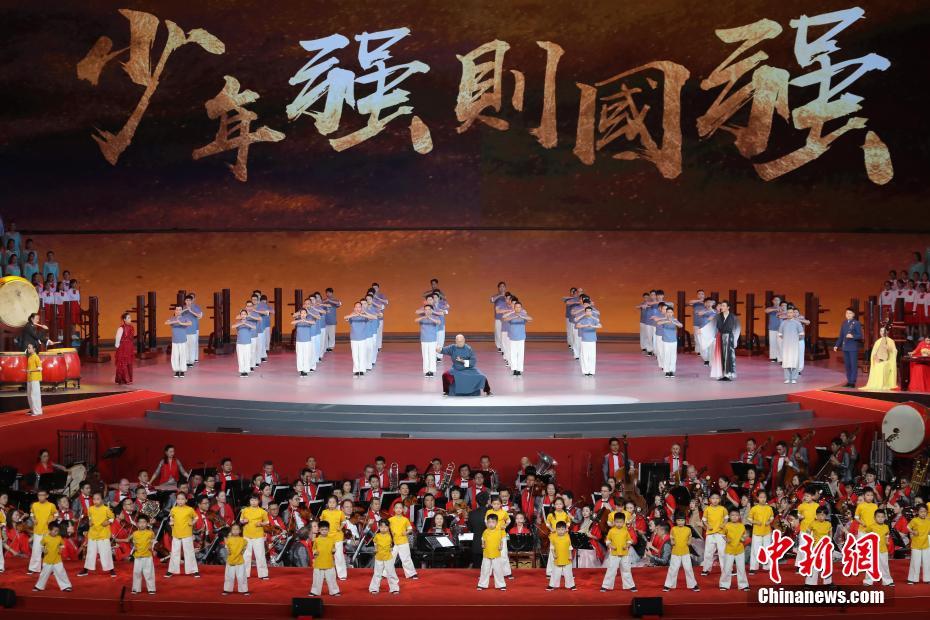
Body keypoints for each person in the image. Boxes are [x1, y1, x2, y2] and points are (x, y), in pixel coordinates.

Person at [77, 492, 116, 577]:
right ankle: (86, 569)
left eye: (98, 499)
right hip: (93, 534)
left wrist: (108, 522)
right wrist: (90, 521)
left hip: (103, 534)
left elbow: (112, 518)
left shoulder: (106, 509)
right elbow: (90, 517)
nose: (95, 501)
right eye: (94, 499)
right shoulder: (90, 509)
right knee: (90, 553)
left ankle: (111, 569)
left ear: (102, 500)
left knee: (106, 552)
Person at [166, 492, 199, 578]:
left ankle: (194, 570)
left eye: (182, 499)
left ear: (186, 500)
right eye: (178, 499)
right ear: (176, 500)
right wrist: (171, 522)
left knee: (189, 552)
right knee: (174, 552)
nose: (180, 501)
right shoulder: (173, 509)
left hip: (187, 533)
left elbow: (196, 517)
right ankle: (171, 570)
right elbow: (171, 517)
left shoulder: (190, 509)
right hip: (176, 533)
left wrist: (192, 523)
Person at [663, 513, 699, 591]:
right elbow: (671, 537)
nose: (680, 522)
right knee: (673, 569)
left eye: (682, 520)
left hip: (685, 552)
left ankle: (693, 585)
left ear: (685, 521)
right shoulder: (673, 529)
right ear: (676, 521)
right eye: (678, 520)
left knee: (688, 568)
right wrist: (672, 541)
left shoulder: (688, 529)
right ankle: (668, 585)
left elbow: (690, 537)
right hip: (675, 552)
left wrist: (689, 541)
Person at [32, 523, 72, 592]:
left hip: (57, 560)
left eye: (57, 531)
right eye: (55, 531)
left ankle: (66, 586)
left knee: (61, 573)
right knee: (44, 574)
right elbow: (41, 545)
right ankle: (39, 586)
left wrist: (61, 549)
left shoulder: (59, 538)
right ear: (49, 530)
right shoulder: (45, 538)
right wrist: (43, 549)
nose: (56, 532)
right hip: (47, 560)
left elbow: (62, 545)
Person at [601, 514, 636, 592]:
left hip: (624, 554)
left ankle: (630, 586)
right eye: (617, 522)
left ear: (623, 522)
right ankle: (606, 586)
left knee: (626, 570)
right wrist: (611, 546)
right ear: (614, 522)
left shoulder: (625, 531)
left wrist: (627, 546)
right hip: (614, 554)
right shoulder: (611, 531)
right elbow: (607, 540)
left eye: (620, 522)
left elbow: (629, 540)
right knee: (611, 570)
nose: (619, 524)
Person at [240, 494, 270, 579]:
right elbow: (241, 520)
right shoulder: (245, 510)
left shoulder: (262, 511)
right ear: (249, 501)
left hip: (258, 535)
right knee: (246, 555)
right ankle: (245, 574)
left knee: (260, 555)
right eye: (252, 500)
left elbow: (267, 522)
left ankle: (263, 574)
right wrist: (244, 521)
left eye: (255, 500)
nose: (253, 502)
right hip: (247, 535)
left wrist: (261, 523)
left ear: (259, 501)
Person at [719, 508, 750, 591]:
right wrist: (726, 540)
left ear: (739, 516)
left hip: (740, 550)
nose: (734, 517)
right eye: (732, 515)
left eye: (736, 515)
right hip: (729, 550)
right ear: (729, 516)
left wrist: (743, 538)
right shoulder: (727, 525)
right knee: (727, 568)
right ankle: (724, 584)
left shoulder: (741, 525)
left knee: (741, 568)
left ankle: (743, 585)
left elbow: (744, 535)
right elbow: (722, 534)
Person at [710, 300, 740, 381]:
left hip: (729, 337)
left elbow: (737, 329)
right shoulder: (718, 316)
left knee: (729, 356)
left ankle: (728, 374)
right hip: (720, 337)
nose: (721, 307)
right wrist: (702, 330)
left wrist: (735, 340)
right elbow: (711, 326)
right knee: (720, 355)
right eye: (721, 306)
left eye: (723, 306)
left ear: (728, 307)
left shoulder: (733, 317)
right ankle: (721, 374)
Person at [28, 489, 56, 574]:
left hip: (48, 531)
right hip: (38, 530)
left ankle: (49, 569)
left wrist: (51, 520)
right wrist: (33, 520)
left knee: (48, 550)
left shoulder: (51, 505)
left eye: (43, 495)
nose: (40, 497)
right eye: (39, 495)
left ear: (47, 496)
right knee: (36, 550)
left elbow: (56, 515)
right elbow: (31, 514)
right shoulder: (35, 505)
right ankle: (33, 568)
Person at [388, 501, 418, 579]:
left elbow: (410, 529)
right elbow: (386, 529)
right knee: (390, 558)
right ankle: (385, 573)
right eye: (396, 508)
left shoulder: (405, 519)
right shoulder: (390, 520)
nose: (398, 509)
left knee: (406, 558)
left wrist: (406, 532)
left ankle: (411, 573)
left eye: (400, 508)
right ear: (393, 509)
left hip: (404, 541)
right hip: (393, 543)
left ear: (403, 509)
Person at [834, 308, 863, 388]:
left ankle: (852, 382)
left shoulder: (856, 323)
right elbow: (841, 336)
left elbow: (860, 336)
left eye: (850, 313)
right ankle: (849, 381)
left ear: (853, 315)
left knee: (853, 365)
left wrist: (852, 336)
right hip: (845, 347)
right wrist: (836, 345)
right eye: (847, 313)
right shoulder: (844, 323)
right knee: (847, 366)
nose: (848, 315)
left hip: (853, 347)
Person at [864, 509, 894, 587]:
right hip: (873, 549)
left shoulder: (886, 527)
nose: (880, 518)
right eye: (878, 517)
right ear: (874, 518)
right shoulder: (871, 527)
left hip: (883, 549)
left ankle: (887, 581)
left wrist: (887, 541)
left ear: (884, 518)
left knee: (884, 566)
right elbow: (866, 535)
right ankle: (868, 581)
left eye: (882, 517)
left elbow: (887, 536)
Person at [310, 521, 341, 596]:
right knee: (317, 578)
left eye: (326, 529)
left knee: (331, 578)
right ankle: (315, 591)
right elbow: (314, 549)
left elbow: (333, 549)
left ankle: (334, 591)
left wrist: (334, 550)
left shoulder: (331, 539)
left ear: (328, 530)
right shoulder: (316, 540)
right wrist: (315, 552)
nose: (324, 531)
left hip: (329, 562)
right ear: (319, 530)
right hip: (319, 562)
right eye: (322, 529)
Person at [369, 520, 400, 594]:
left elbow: (392, 544)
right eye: (381, 527)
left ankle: (394, 588)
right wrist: (375, 549)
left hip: (388, 557)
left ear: (388, 527)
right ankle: (374, 588)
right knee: (377, 573)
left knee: (391, 572)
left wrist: (391, 548)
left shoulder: (390, 535)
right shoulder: (377, 535)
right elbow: (375, 542)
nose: (383, 528)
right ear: (379, 527)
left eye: (385, 527)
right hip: (379, 557)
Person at [862, 326, 897, 391]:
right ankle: (876, 384)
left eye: (884, 331)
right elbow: (874, 352)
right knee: (878, 365)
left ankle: (884, 384)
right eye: (881, 331)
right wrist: (875, 358)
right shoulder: (877, 341)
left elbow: (895, 351)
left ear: (887, 332)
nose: (882, 332)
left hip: (888, 361)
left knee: (883, 366)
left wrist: (889, 348)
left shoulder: (891, 341)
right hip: (878, 360)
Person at [478, 513, 507, 591]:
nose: (491, 524)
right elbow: (483, 539)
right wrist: (483, 544)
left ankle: (501, 585)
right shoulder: (485, 531)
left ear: (496, 523)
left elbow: (501, 540)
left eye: (493, 522)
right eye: (489, 522)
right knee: (485, 570)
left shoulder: (499, 531)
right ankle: (482, 584)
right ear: (487, 523)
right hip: (486, 554)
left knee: (498, 570)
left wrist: (501, 546)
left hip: (496, 554)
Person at [701, 492, 727, 575]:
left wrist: (723, 524)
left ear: (719, 500)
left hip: (720, 533)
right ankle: (706, 569)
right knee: (708, 552)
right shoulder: (707, 509)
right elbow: (704, 520)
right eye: (713, 498)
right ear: (710, 500)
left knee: (722, 552)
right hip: (710, 533)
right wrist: (708, 526)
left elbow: (726, 518)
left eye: (717, 498)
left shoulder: (723, 509)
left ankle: (725, 570)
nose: (715, 500)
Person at [747, 490, 773, 574]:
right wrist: (755, 522)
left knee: (767, 549)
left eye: (764, 497)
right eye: (761, 497)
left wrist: (769, 521)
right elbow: (749, 518)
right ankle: (753, 567)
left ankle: (767, 567)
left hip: (767, 532)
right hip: (757, 532)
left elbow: (772, 517)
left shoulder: (769, 508)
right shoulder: (754, 508)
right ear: (757, 498)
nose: (763, 499)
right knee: (755, 550)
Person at [805, 508, 833, 585]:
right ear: (816, 515)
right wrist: (810, 540)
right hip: (816, 546)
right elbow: (807, 532)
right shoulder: (813, 523)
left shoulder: (828, 524)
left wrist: (830, 541)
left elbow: (830, 533)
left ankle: (828, 582)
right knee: (814, 565)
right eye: (819, 515)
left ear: (826, 516)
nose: (821, 517)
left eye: (823, 515)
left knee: (827, 564)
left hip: (826, 546)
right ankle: (810, 582)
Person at [502, 301, 532, 376]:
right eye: (516, 307)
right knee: (513, 354)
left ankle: (519, 369)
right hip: (513, 337)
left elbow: (530, 319)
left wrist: (522, 317)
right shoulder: (511, 315)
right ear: (514, 308)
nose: (518, 308)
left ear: (521, 308)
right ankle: (514, 369)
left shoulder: (523, 314)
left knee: (520, 354)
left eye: (519, 307)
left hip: (521, 337)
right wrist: (513, 317)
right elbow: (504, 319)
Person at [346, 302, 375, 376]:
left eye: (359, 307)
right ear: (354, 308)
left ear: (361, 308)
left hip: (362, 338)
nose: (358, 308)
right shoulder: (352, 316)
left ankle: (362, 370)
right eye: (356, 307)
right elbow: (345, 317)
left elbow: (374, 317)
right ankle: (356, 370)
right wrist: (354, 314)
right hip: (354, 338)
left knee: (362, 354)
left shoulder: (364, 316)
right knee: (355, 355)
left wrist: (362, 314)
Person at [778, 306, 805, 384]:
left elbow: (801, 334)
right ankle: (787, 378)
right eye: (788, 312)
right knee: (786, 361)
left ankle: (794, 378)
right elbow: (780, 334)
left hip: (795, 346)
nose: (789, 314)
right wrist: (786, 339)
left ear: (793, 313)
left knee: (794, 361)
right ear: (786, 314)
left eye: (791, 312)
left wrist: (795, 340)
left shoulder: (797, 323)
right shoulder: (783, 323)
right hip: (786, 346)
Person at [130, 515, 156, 595]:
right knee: (136, 573)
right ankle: (136, 588)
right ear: (137, 524)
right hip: (137, 557)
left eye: (144, 522)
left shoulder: (150, 533)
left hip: (147, 556)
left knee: (149, 573)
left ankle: (151, 589)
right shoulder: (135, 533)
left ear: (147, 523)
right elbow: (134, 543)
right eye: (140, 522)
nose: (142, 524)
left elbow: (153, 542)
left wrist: (152, 548)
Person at [546, 521, 575, 591]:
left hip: (566, 558)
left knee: (568, 572)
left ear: (565, 529)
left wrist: (570, 555)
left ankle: (571, 585)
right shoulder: (554, 538)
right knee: (555, 572)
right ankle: (552, 585)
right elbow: (552, 547)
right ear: (556, 529)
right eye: (558, 529)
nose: (560, 531)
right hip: (558, 558)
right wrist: (554, 554)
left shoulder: (567, 537)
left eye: (562, 529)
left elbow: (570, 547)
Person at [655, 306, 682, 378]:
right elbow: (658, 323)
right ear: (666, 313)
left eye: (671, 312)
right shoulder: (664, 320)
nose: (669, 313)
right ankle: (667, 371)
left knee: (673, 356)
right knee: (666, 355)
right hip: (666, 341)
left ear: (673, 313)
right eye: (668, 312)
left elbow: (681, 325)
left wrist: (673, 322)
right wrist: (667, 321)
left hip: (673, 341)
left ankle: (672, 371)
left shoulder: (675, 320)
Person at [223, 522, 249, 595]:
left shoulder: (243, 540)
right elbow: (227, 548)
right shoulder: (228, 540)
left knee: (241, 576)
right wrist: (229, 552)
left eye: (237, 529)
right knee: (229, 576)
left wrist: (241, 552)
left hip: (240, 561)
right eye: (233, 529)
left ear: (240, 531)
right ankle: (227, 589)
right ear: (231, 531)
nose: (235, 530)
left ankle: (244, 590)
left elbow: (244, 547)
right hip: (230, 560)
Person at [575, 306, 602, 377]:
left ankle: (591, 371)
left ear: (591, 312)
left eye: (590, 311)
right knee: (585, 356)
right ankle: (585, 371)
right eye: (587, 311)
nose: (588, 312)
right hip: (584, 340)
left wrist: (592, 326)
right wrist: (585, 325)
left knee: (592, 356)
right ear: (585, 312)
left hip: (592, 340)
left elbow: (600, 326)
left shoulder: (594, 320)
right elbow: (577, 326)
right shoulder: (583, 320)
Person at [165, 306, 191, 378]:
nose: (178, 311)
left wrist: (181, 323)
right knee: (175, 356)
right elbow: (166, 323)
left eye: (180, 310)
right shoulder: (172, 318)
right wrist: (176, 321)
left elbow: (190, 323)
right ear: (175, 311)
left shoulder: (184, 318)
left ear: (181, 311)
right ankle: (176, 371)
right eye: (177, 310)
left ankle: (182, 371)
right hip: (175, 340)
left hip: (183, 340)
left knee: (183, 355)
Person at [907, 504, 930, 584]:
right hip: (916, 545)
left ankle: (927, 579)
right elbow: (908, 527)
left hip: (926, 544)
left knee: (927, 562)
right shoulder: (914, 520)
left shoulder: (928, 521)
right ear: (917, 512)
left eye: (925, 511)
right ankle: (912, 579)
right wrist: (913, 532)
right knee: (915, 562)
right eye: (921, 512)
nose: (923, 513)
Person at [416, 304, 440, 377]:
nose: (427, 311)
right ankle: (426, 371)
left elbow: (438, 322)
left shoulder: (435, 317)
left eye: (429, 309)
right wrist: (424, 317)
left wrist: (430, 318)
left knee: (432, 356)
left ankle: (431, 371)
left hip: (432, 340)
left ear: (431, 310)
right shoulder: (422, 318)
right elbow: (415, 320)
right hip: (424, 340)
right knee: (425, 356)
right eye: (425, 310)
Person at [291, 308, 315, 377]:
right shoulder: (298, 320)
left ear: (306, 314)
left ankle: (306, 370)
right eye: (302, 313)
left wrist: (306, 321)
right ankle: (301, 370)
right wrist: (300, 320)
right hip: (299, 341)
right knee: (299, 355)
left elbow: (313, 322)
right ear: (300, 314)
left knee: (307, 355)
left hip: (307, 341)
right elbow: (292, 322)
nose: (303, 314)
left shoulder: (309, 320)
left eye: (304, 313)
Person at [182, 294, 203, 367]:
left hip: (193, 330)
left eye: (189, 300)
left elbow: (199, 316)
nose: (188, 302)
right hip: (185, 330)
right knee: (186, 346)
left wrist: (191, 311)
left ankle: (191, 361)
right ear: (185, 301)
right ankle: (187, 361)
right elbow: (178, 316)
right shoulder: (183, 308)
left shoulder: (195, 308)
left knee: (192, 346)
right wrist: (184, 310)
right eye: (186, 300)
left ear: (191, 301)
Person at [114, 312, 135, 385]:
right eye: (128, 318)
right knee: (123, 363)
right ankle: (125, 379)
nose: (130, 319)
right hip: (123, 347)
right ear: (124, 319)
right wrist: (117, 346)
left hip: (129, 347)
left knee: (129, 363)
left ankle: (128, 379)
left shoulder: (131, 327)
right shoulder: (121, 328)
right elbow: (118, 338)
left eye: (130, 317)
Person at [232, 310, 254, 377]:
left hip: (247, 343)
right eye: (242, 314)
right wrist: (241, 323)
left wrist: (245, 323)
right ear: (240, 315)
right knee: (240, 357)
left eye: (244, 314)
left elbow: (254, 327)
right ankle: (242, 371)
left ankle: (246, 371)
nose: (243, 315)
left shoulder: (249, 322)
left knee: (247, 357)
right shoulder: (238, 322)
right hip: (239, 343)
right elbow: (232, 327)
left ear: (246, 315)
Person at [25, 342, 42, 416]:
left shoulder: (36, 357)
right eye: (28, 348)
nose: (28, 349)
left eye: (29, 348)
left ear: (34, 349)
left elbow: (40, 368)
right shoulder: (29, 357)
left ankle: (37, 411)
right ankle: (32, 410)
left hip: (35, 378)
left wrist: (30, 370)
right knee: (30, 395)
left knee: (34, 395)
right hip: (30, 378)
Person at [765, 296, 783, 363]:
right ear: (772, 301)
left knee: (780, 343)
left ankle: (780, 358)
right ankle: (773, 357)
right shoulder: (770, 308)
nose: (776, 301)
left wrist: (780, 309)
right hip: (772, 328)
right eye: (775, 300)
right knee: (773, 343)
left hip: (780, 329)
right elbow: (766, 311)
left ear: (780, 301)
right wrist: (775, 309)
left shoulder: (782, 308)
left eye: (778, 300)